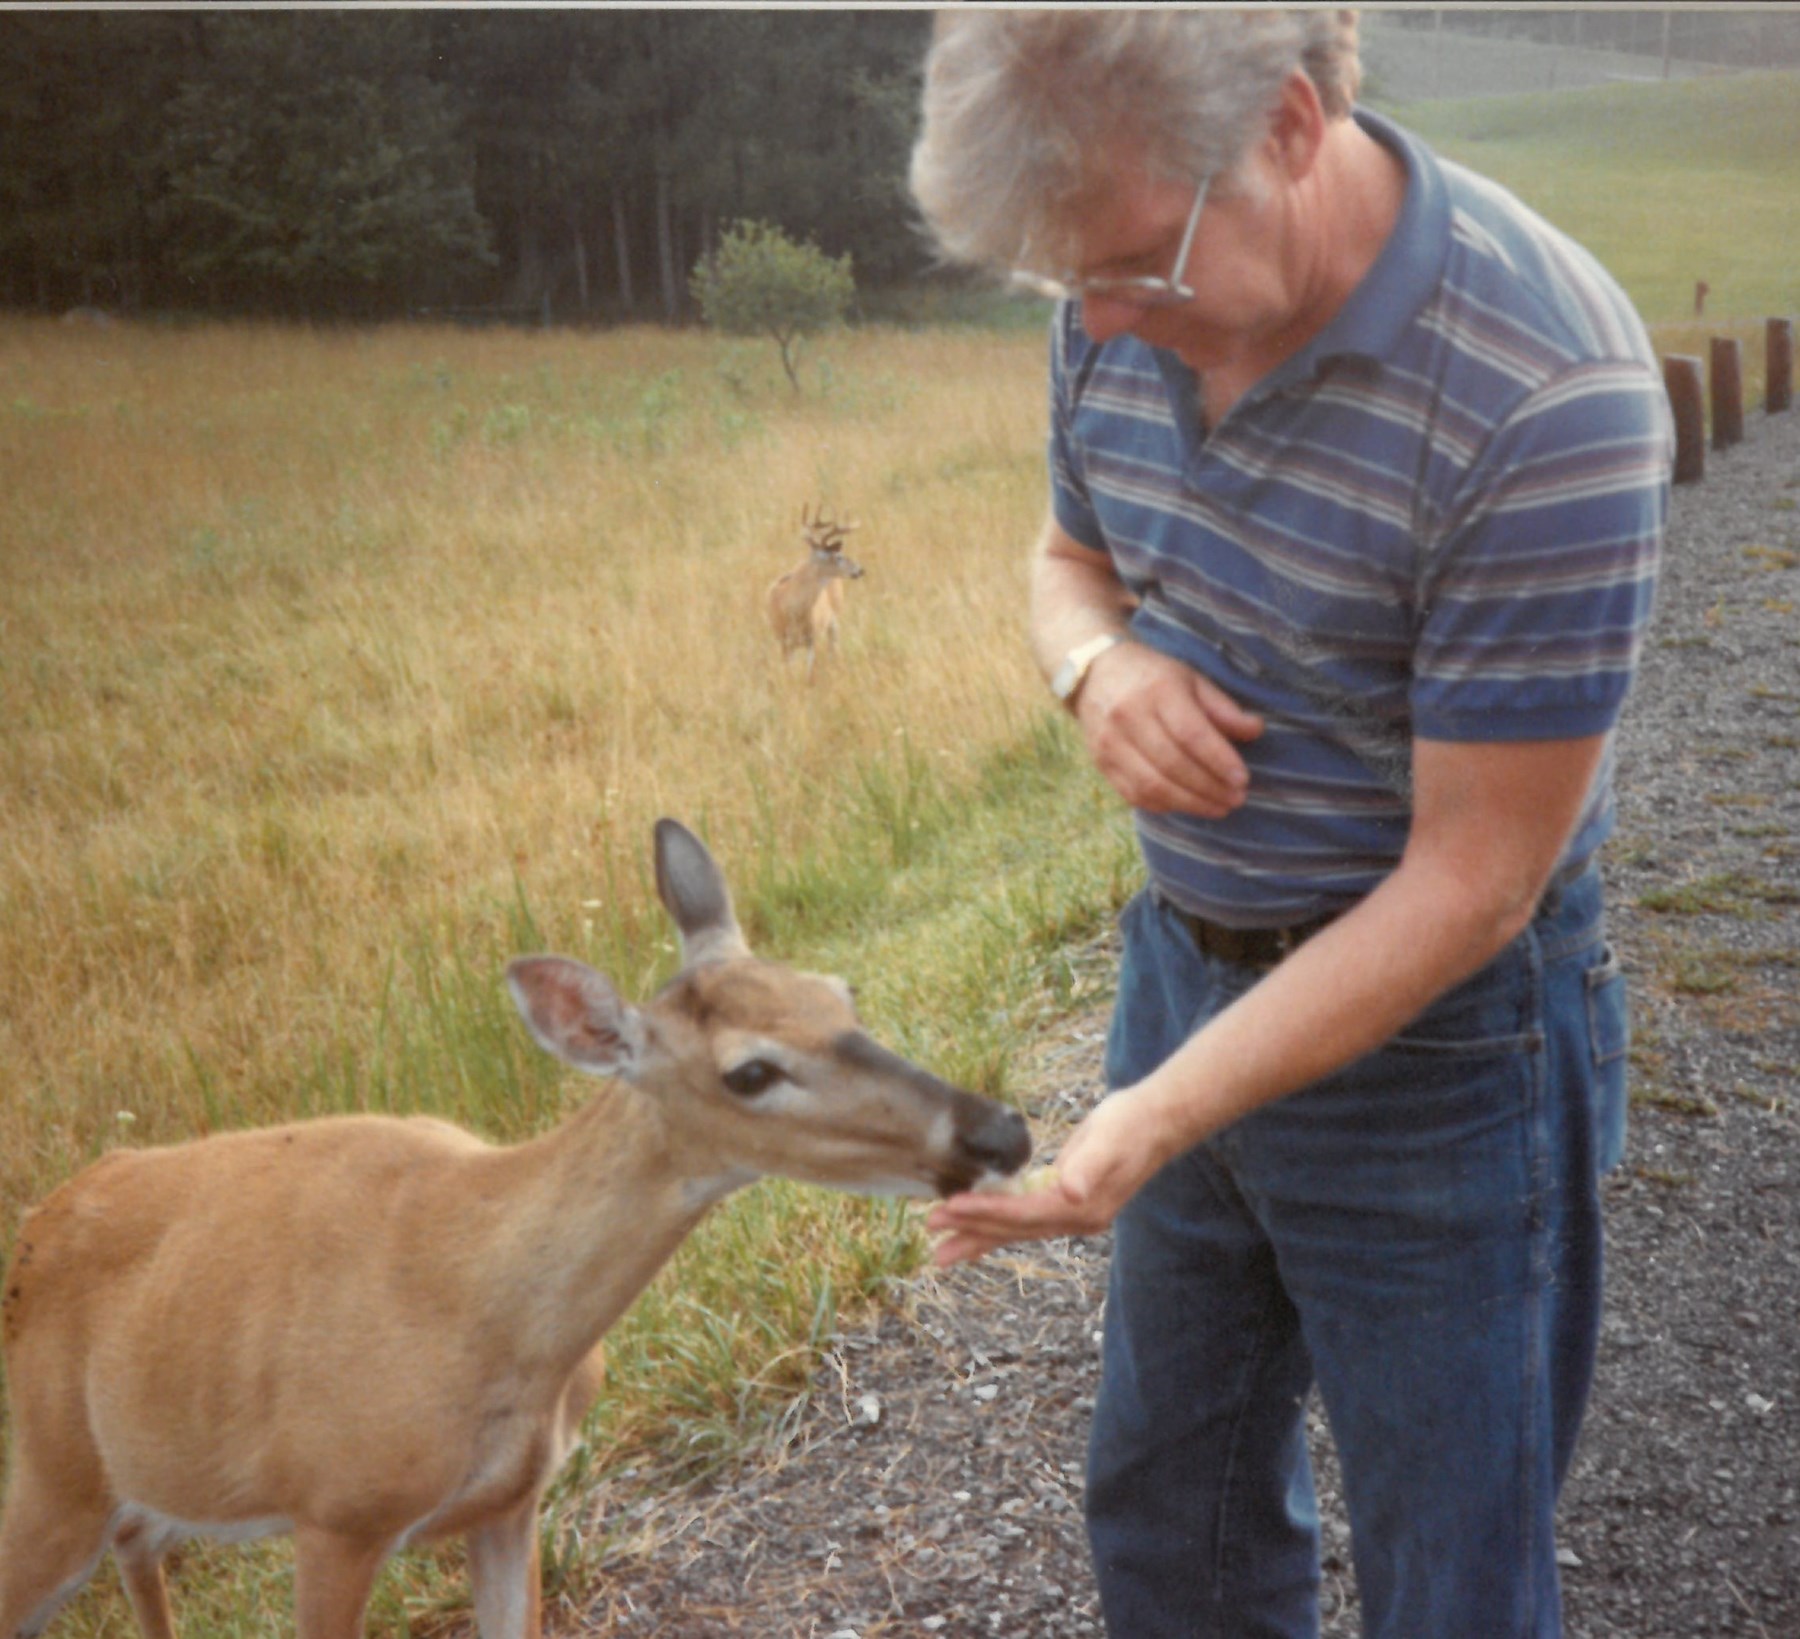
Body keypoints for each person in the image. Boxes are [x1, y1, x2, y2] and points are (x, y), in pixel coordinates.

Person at [908, 12, 1670, 1638]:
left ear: (1292, 127)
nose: (1100, 321)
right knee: (1166, 1512)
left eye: (1129, 266)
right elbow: (1068, 559)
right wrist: (1094, 669)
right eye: (1062, 285)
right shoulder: (1112, 294)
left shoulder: (1549, 392)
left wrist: (1148, 1121)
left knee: (1451, 1571)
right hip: (1179, 974)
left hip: (1452, 1059)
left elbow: (1474, 882)